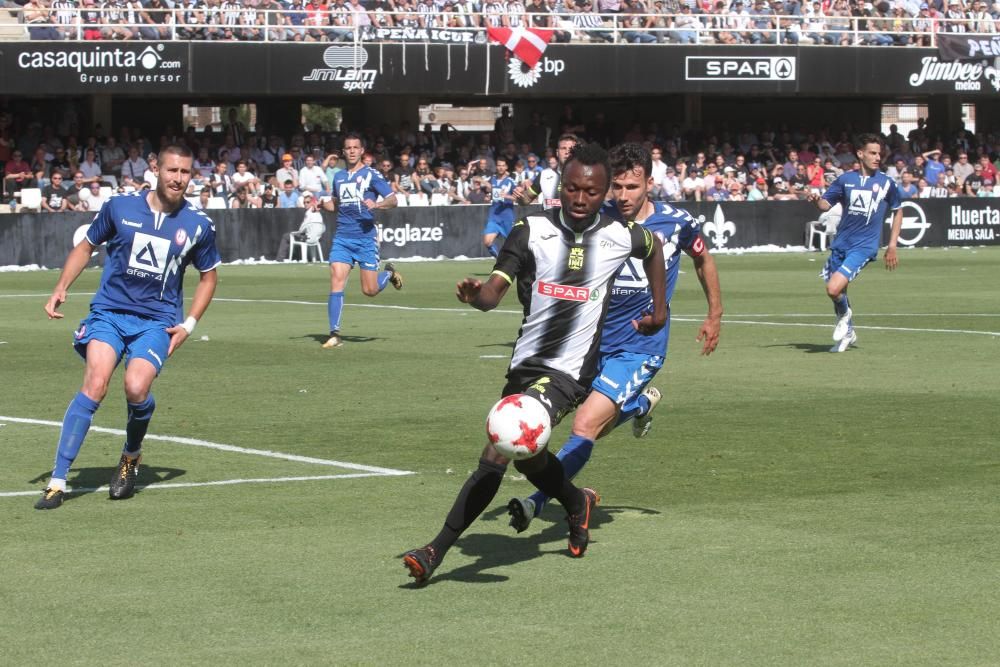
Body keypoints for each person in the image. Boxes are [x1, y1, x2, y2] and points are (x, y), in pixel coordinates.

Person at [401, 144, 668, 586]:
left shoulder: (621, 233)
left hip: (570, 371)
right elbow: (493, 294)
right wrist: (476, 297)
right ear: (560, 185)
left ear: (603, 193)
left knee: (499, 448)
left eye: (592, 191)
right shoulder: (530, 228)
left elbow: (654, 247)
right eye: (572, 188)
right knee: (529, 458)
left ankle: (435, 551)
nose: (580, 199)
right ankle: (575, 500)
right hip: (526, 364)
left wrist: (659, 312)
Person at [506, 142, 723, 533]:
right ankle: (639, 405)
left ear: (649, 185)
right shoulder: (596, 220)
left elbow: (703, 258)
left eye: (632, 188)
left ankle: (537, 502)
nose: (623, 196)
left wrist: (714, 314)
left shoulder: (676, 222)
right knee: (593, 427)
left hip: (639, 348)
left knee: (585, 426)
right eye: (617, 187)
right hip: (586, 346)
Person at [34, 145, 221, 510]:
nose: (178, 179)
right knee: (95, 383)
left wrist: (189, 325)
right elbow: (86, 246)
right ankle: (57, 482)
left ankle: (131, 455)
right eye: (172, 170)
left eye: (185, 173)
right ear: (156, 168)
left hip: (157, 322)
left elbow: (209, 278)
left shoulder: (199, 225)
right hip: (109, 313)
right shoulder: (119, 207)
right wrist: (61, 287)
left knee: (136, 387)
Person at [807, 133, 903, 354]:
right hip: (842, 243)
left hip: (864, 246)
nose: (878, 157)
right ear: (860, 154)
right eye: (872, 153)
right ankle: (848, 331)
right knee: (839, 293)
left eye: (879, 153)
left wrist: (892, 245)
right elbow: (824, 205)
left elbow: (898, 211)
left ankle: (845, 317)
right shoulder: (845, 180)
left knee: (832, 288)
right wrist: (815, 201)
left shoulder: (886, 183)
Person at [322, 133, 400, 349]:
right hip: (342, 239)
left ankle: (389, 274)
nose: (352, 150)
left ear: (362, 150)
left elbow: (393, 200)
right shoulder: (338, 177)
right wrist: (320, 204)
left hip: (365, 239)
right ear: (343, 152)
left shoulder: (371, 174)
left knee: (370, 290)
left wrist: (377, 205)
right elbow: (336, 205)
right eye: (348, 148)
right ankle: (334, 334)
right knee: (336, 279)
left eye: (356, 147)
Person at [514, 133, 580, 207]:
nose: (567, 152)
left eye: (571, 149)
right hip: (549, 218)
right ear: (557, 152)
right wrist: (520, 195)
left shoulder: (586, 176)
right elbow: (525, 200)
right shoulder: (544, 174)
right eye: (563, 148)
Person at [482, 157, 516, 258]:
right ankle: (501, 261)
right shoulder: (492, 180)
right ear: (496, 167)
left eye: (502, 165)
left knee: (513, 246)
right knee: (487, 242)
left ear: (506, 167)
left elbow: (518, 198)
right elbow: (490, 195)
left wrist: (506, 196)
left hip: (507, 218)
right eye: (499, 165)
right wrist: (488, 198)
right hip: (494, 217)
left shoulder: (510, 181)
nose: (500, 167)